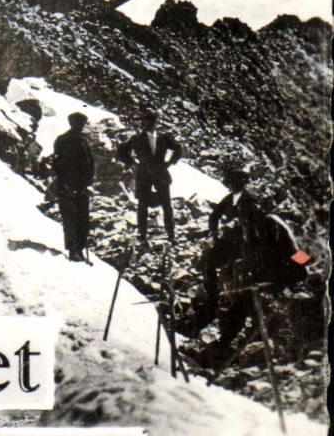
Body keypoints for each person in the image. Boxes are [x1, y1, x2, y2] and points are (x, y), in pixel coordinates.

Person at [191, 165, 312, 371]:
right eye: (243, 218)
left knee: (254, 312)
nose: (245, 221)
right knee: (236, 311)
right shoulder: (247, 231)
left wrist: (303, 276)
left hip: (284, 275)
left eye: (248, 216)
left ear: (256, 210)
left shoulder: (273, 225)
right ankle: (223, 349)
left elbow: (299, 254)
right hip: (262, 277)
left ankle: (241, 354)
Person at [115, 110, 182, 249]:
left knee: (166, 204)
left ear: (156, 122)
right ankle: (142, 235)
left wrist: (169, 163)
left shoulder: (163, 138)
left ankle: (171, 234)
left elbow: (179, 148)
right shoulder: (137, 138)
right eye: (148, 121)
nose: (150, 124)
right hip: (144, 175)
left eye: (153, 121)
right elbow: (121, 151)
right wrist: (133, 163)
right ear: (144, 122)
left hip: (161, 174)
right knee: (143, 205)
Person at [49, 112, 96, 262]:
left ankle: (80, 250)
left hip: (82, 187)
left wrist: (88, 183)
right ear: (72, 124)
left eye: (82, 124)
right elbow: (58, 165)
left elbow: (90, 164)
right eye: (78, 124)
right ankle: (73, 251)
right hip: (67, 187)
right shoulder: (63, 141)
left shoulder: (83, 141)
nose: (81, 127)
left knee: (83, 220)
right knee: (71, 220)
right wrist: (66, 184)